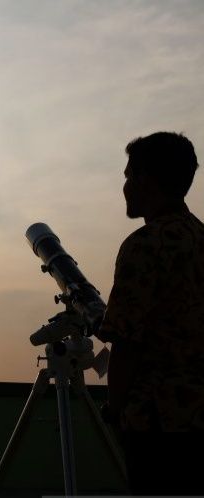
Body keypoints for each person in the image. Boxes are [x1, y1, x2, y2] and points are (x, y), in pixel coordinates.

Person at [96, 132, 204, 495]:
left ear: (146, 180)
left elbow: (127, 343)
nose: (125, 186)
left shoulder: (144, 246)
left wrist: (115, 411)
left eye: (129, 176)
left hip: (156, 425)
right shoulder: (199, 238)